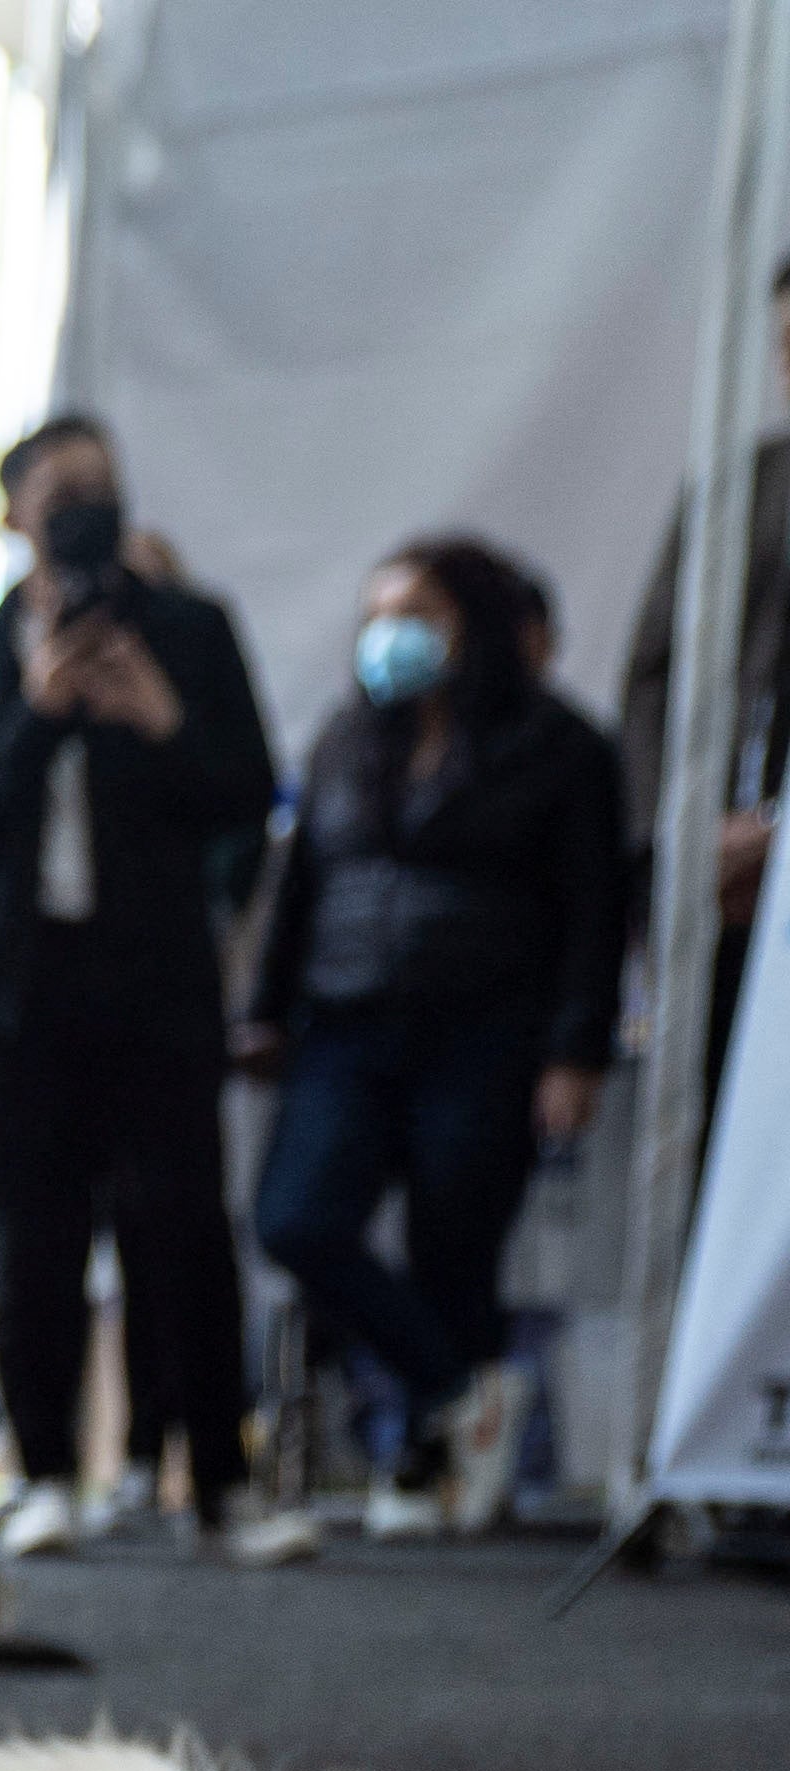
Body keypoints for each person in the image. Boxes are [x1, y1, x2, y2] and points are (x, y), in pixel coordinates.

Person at [0, 413, 283, 1558]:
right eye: (62, 489)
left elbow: (247, 797)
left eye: (103, 487)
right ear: (12, 511)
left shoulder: (193, 633)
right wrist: (38, 712)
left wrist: (161, 723)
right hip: (18, 987)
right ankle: (47, 1472)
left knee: (185, 1226)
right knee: (34, 1232)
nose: (86, 508)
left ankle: (220, 1481)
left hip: (157, 976)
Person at [243, 532, 627, 1534]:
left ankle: (421, 1462)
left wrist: (576, 1047)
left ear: (477, 626)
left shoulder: (564, 749)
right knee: (298, 1217)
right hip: (347, 1020)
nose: (390, 636)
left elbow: (593, 910)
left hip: (486, 1027)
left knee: (453, 1245)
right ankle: (468, 1389)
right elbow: (300, 888)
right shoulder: (346, 738)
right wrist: (264, 1008)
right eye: (378, 616)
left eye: (416, 615)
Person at [615, 257, 790, 1130]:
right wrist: (678, 831)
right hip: (724, 876)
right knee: (715, 1124)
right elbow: (652, 674)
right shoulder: (735, 489)